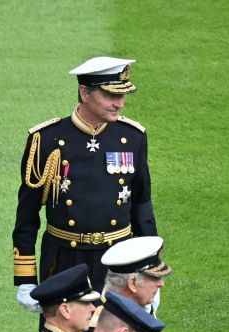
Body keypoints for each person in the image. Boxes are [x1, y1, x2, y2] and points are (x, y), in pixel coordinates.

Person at [12, 57, 157, 311]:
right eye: (111, 95)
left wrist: (150, 275)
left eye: (123, 96)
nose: (119, 104)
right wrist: (25, 279)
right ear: (84, 93)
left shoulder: (132, 137)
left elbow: (142, 210)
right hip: (64, 260)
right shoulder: (46, 140)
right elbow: (27, 216)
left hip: (119, 262)